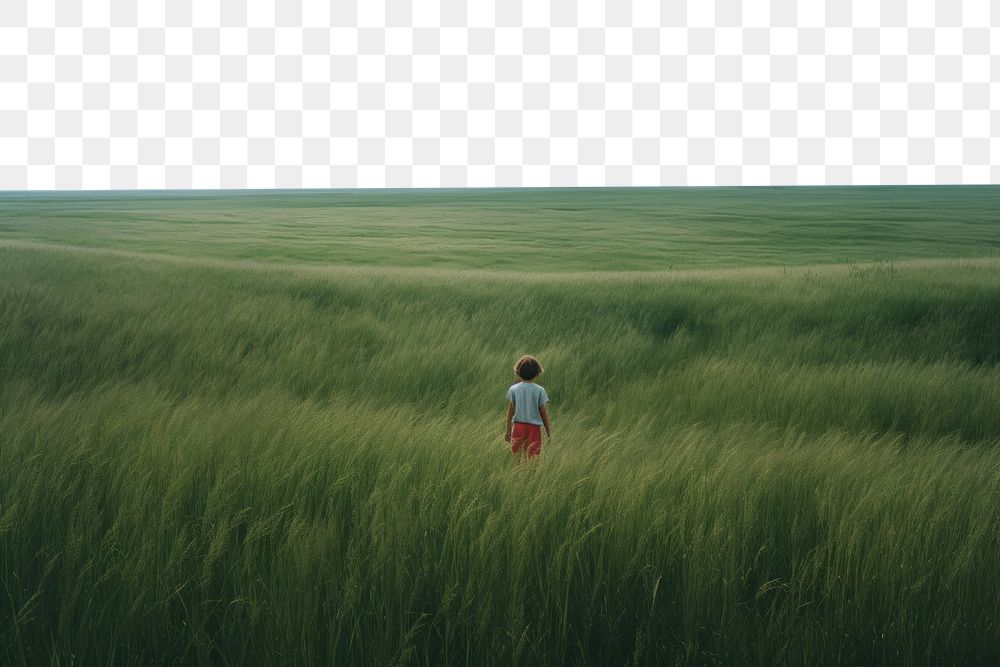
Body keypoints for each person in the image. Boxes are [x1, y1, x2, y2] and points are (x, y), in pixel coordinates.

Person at [504, 354, 552, 458]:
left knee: (517, 456)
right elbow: (543, 414)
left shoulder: (514, 389)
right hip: (534, 429)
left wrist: (508, 431)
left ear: (518, 372)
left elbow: (510, 413)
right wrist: (549, 432)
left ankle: (518, 473)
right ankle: (530, 473)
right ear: (537, 373)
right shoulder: (539, 390)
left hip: (518, 427)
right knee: (533, 458)